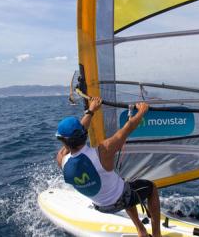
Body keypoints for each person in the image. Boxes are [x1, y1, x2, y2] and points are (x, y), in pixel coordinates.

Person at [55, 97, 161, 237]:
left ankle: (141, 230)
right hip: (121, 199)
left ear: (62, 141)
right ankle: (157, 234)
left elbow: (76, 135)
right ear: (83, 134)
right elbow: (128, 128)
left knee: (125, 185)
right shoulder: (103, 151)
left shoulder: (61, 160)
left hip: (101, 207)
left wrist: (91, 110)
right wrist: (142, 111)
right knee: (150, 188)